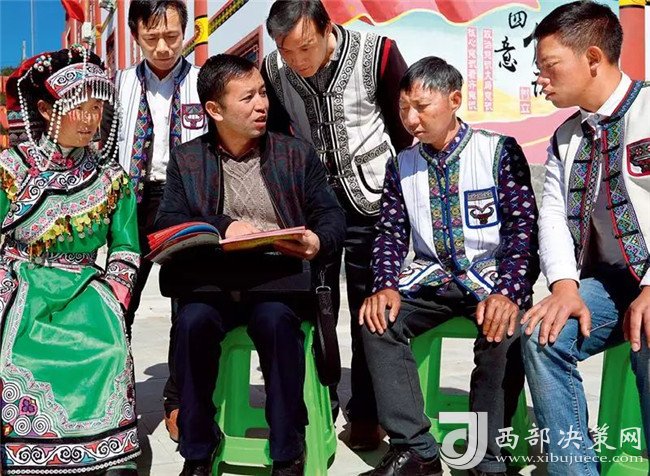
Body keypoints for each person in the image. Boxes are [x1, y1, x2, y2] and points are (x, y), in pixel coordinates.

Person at [153, 54, 346, 476]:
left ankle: (288, 451)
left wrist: (317, 240)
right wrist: (224, 226)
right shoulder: (187, 159)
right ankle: (198, 450)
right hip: (213, 287)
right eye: (247, 98)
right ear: (215, 109)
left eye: (262, 93)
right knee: (192, 324)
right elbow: (167, 222)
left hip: (278, 285)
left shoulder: (295, 154)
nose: (262, 105)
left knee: (276, 324)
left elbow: (331, 216)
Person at [359, 57, 539, 476]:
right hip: (431, 280)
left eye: (422, 107)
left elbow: (523, 230)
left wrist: (508, 293)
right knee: (377, 322)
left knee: (504, 334)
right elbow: (389, 233)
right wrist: (385, 284)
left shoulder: (497, 151)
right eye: (404, 108)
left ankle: (485, 457)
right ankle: (416, 449)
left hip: (491, 280)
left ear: (454, 100)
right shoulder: (401, 164)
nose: (411, 119)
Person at [262, 0, 413, 449]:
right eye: (286, 51)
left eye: (305, 47)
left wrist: (402, 195)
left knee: (370, 304)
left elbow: (403, 125)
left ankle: (367, 411)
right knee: (315, 304)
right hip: (314, 208)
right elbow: (278, 135)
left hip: (373, 199)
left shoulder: (379, 53)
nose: (296, 60)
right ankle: (320, 399)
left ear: (327, 27)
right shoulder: (272, 69)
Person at [521, 2, 650, 474]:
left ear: (593, 57)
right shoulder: (565, 138)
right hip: (609, 284)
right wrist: (564, 287)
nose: (541, 80)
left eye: (550, 66)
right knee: (542, 336)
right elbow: (553, 217)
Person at [0, 46, 140, 475]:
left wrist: (115, 294)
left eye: (96, 108)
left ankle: (110, 454)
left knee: (110, 349)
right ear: (46, 109)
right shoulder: (11, 169)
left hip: (85, 290)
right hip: (22, 283)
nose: (90, 119)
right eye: (78, 107)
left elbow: (126, 247)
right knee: (15, 353)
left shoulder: (111, 177)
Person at [111, 0, 207, 441]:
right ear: (135, 36)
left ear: (186, 32)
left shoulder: (204, 82)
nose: (164, 47)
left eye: (172, 36)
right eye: (152, 39)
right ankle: (113, 396)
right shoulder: (119, 85)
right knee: (119, 300)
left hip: (187, 201)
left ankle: (178, 400)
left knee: (186, 303)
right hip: (133, 201)